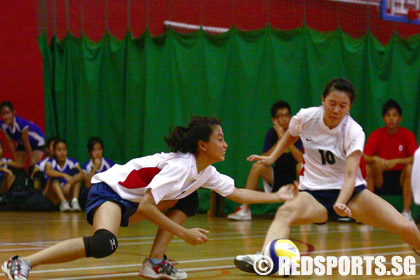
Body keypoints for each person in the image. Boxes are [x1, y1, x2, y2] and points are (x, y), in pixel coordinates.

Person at [1, 116, 298, 280]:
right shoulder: (180, 167)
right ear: (202, 144)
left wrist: (279, 197)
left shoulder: (204, 171)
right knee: (104, 243)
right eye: (220, 138)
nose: (226, 144)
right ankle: (22, 262)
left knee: (189, 200)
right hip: (109, 192)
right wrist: (184, 233)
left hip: (132, 201)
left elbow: (235, 192)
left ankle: (154, 263)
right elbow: (147, 207)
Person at [234, 78, 420, 275]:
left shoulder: (354, 131)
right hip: (313, 194)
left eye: (343, 106)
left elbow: (350, 176)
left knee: (406, 227)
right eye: (332, 103)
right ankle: (267, 260)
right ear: (323, 100)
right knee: (284, 213)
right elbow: (291, 133)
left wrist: (340, 202)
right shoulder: (307, 117)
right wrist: (272, 156)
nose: (336, 110)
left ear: (349, 107)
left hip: (351, 195)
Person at [227, 100, 303, 220]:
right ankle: (244, 210)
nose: (285, 119)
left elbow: (301, 159)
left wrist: (285, 139)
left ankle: (301, 209)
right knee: (257, 167)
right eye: (280, 116)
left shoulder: (296, 133)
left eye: (287, 115)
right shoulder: (272, 133)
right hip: (277, 176)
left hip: (296, 177)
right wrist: (279, 140)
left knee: (300, 166)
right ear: (274, 120)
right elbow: (265, 158)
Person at [364, 99, 418, 221]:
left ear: (400, 119)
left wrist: (398, 161)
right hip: (381, 177)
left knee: (410, 168)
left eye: (394, 115)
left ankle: (406, 212)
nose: (391, 118)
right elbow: (364, 156)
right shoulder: (376, 134)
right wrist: (375, 159)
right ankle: (369, 212)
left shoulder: (407, 135)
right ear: (383, 119)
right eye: (388, 115)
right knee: (368, 167)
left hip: (401, 179)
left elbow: (416, 158)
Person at [0, 101, 45, 168]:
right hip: (22, 143)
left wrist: (31, 159)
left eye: (8, 113)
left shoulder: (21, 124)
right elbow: (9, 142)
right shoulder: (2, 125)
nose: (6, 116)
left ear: (13, 112)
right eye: (3, 114)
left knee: (32, 166)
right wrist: (15, 158)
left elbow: (26, 142)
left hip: (37, 142)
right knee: (17, 165)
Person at [45, 138, 84, 212]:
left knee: (77, 174)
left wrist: (70, 182)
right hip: (55, 196)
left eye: (64, 149)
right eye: (59, 150)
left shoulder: (72, 162)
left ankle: (74, 201)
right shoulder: (50, 162)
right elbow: (48, 171)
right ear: (54, 151)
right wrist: (64, 175)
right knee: (54, 178)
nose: (62, 152)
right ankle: (63, 202)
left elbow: (82, 175)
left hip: (68, 191)